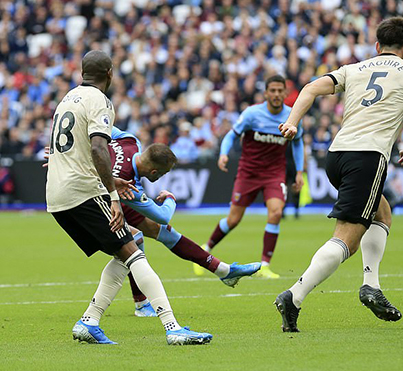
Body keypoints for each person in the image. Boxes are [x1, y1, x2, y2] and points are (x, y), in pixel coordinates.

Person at [275, 17, 403, 332]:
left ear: (377, 46)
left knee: (382, 214)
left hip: (337, 155)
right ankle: (294, 295)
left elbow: (311, 88)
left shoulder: (354, 68)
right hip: (367, 157)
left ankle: (372, 285)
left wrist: (293, 121)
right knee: (347, 240)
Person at [45, 50, 211, 345]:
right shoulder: (101, 101)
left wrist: (110, 179)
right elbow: (98, 149)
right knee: (134, 252)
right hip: (84, 192)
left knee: (126, 249)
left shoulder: (67, 99)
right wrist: (112, 195)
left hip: (57, 194)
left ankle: (90, 321)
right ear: (110, 73)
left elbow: (74, 150)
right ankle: (173, 328)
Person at [107, 127, 262, 316]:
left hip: (111, 193)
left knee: (162, 232)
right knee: (135, 240)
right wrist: (171, 198)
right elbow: (163, 215)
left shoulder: (130, 141)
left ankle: (224, 271)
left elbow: (102, 127)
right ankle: (139, 304)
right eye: (163, 174)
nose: (162, 177)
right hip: (98, 201)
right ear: (154, 171)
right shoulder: (129, 186)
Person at [196, 75, 305, 279]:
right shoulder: (252, 114)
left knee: (275, 212)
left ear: (285, 93)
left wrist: (299, 171)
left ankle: (264, 266)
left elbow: (298, 141)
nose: (276, 94)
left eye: (279, 90)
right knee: (233, 219)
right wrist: (223, 153)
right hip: (248, 173)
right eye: (272, 90)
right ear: (265, 93)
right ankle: (206, 248)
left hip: (274, 174)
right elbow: (232, 134)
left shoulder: (292, 116)